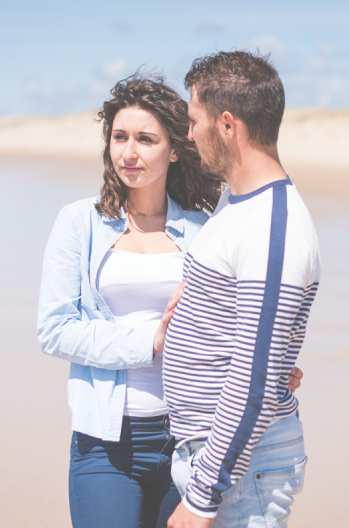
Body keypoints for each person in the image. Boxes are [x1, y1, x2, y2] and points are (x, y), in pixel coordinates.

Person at [37, 74, 304, 528]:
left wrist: (270, 363)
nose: (129, 152)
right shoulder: (80, 223)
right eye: (119, 137)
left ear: (175, 149)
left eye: (145, 139)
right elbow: (55, 328)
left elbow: (238, 319)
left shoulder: (204, 228)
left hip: (189, 439)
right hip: (104, 442)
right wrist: (151, 342)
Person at [161, 52, 321, 528]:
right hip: (220, 455)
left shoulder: (276, 230)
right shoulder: (236, 201)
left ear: (227, 125)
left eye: (194, 122)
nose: (188, 135)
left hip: (241, 469)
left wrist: (201, 498)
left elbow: (251, 383)